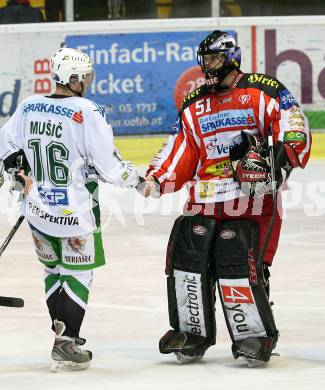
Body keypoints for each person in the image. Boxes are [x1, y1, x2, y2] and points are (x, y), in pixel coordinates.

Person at [142, 30, 311, 366]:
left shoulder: (264, 89)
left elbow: (293, 124)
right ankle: (192, 332)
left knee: (242, 261)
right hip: (205, 197)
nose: (208, 66)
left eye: (214, 58)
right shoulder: (194, 104)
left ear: (232, 57)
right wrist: (158, 177)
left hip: (253, 198)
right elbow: (181, 148)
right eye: (204, 59)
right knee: (190, 259)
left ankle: (254, 334)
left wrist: (279, 161)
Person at [0, 48, 143, 371]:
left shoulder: (28, 106)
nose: (89, 82)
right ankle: (66, 341)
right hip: (73, 213)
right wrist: (136, 180)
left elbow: (5, 147)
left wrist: (13, 165)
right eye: (86, 77)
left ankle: (63, 334)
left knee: (53, 272)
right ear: (73, 78)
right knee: (78, 273)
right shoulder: (86, 111)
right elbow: (108, 164)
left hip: (35, 210)